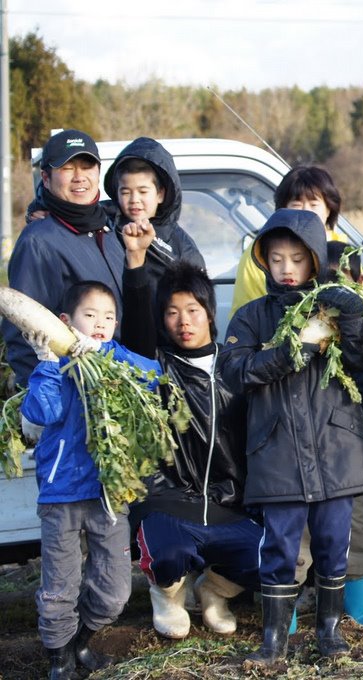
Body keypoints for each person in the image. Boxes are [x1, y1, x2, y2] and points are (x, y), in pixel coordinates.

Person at [220, 209, 363, 662]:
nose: (287, 269)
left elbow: (362, 365)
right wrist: (287, 355)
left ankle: (329, 632)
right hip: (278, 451)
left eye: (296, 259)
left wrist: (352, 321)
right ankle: (274, 638)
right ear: (265, 262)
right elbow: (233, 372)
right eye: (276, 259)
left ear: (315, 260)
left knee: (335, 544)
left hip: (338, 448)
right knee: (280, 546)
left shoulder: (335, 306)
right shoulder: (251, 317)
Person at [118, 222, 261, 639]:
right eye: (172, 312)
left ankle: (214, 592)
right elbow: (137, 330)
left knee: (274, 556)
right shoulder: (155, 366)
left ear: (210, 313)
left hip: (227, 500)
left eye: (193, 310)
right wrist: (135, 260)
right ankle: (169, 595)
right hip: (167, 498)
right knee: (168, 550)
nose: (184, 321)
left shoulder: (234, 364)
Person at [21, 281, 161, 679]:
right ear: (65, 322)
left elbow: (153, 376)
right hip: (61, 495)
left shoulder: (116, 359)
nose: (101, 323)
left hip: (108, 493)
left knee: (115, 589)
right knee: (59, 586)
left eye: (109, 317)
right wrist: (47, 360)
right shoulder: (53, 368)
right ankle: (59, 658)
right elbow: (40, 413)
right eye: (90, 315)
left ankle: (81, 641)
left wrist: (103, 355)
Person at [3, 130, 125, 387]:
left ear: (98, 172)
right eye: (67, 168)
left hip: (126, 381)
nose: (79, 176)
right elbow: (23, 334)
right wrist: (41, 398)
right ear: (46, 178)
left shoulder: (114, 228)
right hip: (81, 392)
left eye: (87, 166)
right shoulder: (38, 241)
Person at [230, 165, 345, 317]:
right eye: (296, 205)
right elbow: (244, 313)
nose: (305, 211)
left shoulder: (345, 252)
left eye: (314, 204)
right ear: (282, 209)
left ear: (329, 208)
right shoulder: (257, 253)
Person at [103, 137, 206, 288]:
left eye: (143, 191)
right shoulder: (105, 225)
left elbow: (199, 299)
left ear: (160, 194)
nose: (134, 200)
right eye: (125, 192)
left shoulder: (181, 246)